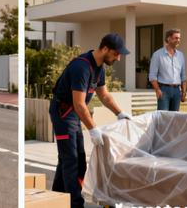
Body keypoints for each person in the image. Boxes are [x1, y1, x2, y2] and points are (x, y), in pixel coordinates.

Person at [50, 33, 132, 208]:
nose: (118, 58)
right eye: (116, 54)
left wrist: (120, 113)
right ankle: (75, 204)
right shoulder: (82, 67)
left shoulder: (99, 68)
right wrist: (93, 129)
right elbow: (79, 104)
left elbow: (104, 95)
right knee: (72, 159)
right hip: (63, 113)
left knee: (73, 158)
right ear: (105, 49)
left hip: (72, 114)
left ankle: (55, 198)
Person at [149, 28, 187, 111]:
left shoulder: (181, 55)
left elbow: (183, 75)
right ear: (168, 39)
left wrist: (184, 91)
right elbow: (152, 76)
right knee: (163, 117)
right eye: (176, 38)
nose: (178, 40)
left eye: (179, 38)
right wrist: (157, 90)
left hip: (177, 91)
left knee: (174, 117)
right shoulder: (157, 55)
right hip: (163, 90)